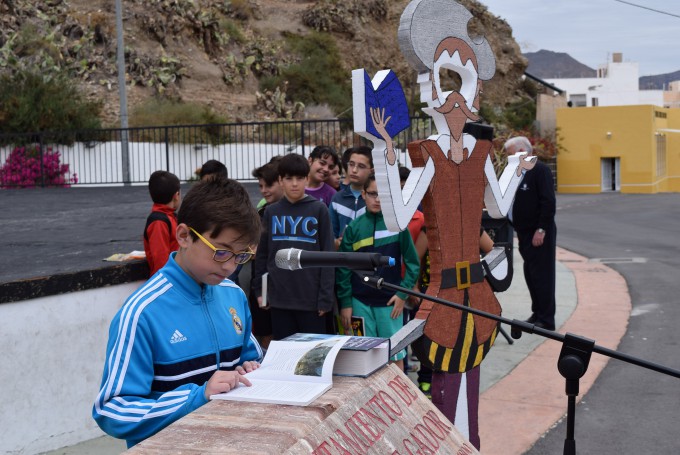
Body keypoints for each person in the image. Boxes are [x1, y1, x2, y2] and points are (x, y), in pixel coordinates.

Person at [93, 177, 264, 448]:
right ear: (184, 236)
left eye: (241, 256)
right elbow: (112, 410)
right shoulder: (142, 313)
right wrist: (197, 397)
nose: (231, 266)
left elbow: (251, 357)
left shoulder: (234, 295)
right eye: (221, 252)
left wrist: (251, 368)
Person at [336, 174, 420, 371]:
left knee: (395, 355)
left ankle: (397, 400)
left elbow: (413, 263)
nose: (378, 199)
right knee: (363, 356)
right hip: (359, 303)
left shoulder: (397, 226)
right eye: (373, 194)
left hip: (390, 303)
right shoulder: (354, 228)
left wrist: (402, 294)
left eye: (384, 195)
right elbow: (343, 268)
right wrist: (346, 303)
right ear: (363, 194)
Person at [253, 153, 335, 340]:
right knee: (285, 359)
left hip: (311, 301)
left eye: (299, 178)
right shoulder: (271, 211)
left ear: (307, 179)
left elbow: (328, 256)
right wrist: (260, 291)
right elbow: (263, 255)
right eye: (289, 178)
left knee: (312, 359)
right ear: (281, 180)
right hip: (279, 300)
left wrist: (325, 298)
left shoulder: (319, 210)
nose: (295, 184)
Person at [504, 136, 557, 330]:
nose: (508, 158)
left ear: (522, 152)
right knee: (531, 274)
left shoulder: (539, 171)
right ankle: (538, 313)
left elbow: (548, 202)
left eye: (510, 154)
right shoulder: (518, 172)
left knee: (543, 276)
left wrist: (541, 229)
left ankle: (547, 319)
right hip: (524, 232)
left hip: (539, 232)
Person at [247, 159, 285, 349]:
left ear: (281, 181)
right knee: (266, 337)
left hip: (287, 289)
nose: (264, 190)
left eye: (269, 185)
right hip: (263, 287)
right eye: (261, 186)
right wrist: (261, 290)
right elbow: (257, 255)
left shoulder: (299, 212)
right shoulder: (261, 213)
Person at [328, 146, 374, 249]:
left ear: (372, 171)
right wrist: (336, 243)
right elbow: (330, 234)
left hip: (370, 259)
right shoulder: (337, 199)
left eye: (361, 166)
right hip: (343, 260)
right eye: (351, 164)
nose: (354, 170)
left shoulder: (377, 200)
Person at [143, 170, 181, 276]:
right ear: (176, 195)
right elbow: (161, 261)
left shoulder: (172, 217)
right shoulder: (158, 222)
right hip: (170, 282)